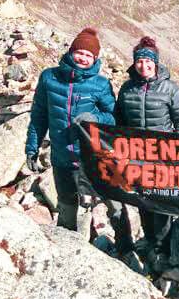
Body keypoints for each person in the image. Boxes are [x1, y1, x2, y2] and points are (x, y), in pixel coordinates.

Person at [25, 27, 116, 232]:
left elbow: (113, 118)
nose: (83, 58)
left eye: (89, 55)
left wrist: (95, 118)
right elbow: (39, 116)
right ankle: (67, 240)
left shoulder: (101, 84)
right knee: (67, 203)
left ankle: (124, 245)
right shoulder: (49, 78)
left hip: (94, 157)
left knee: (113, 203)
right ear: (71, 51)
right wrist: (32, 148)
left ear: (95, 59)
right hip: (62, 157)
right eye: (80, 52)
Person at [113, 36, 179, 269]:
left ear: (156, 63)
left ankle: (162, 247)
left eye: (148, 62)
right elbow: (119, 122)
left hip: (164, 158)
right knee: (143, 200)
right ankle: (149, 240)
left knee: (162, 203)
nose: (144, 66)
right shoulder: (127, 89)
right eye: (139, 61)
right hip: (137, 158)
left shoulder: (170, 89)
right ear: (134, 63)